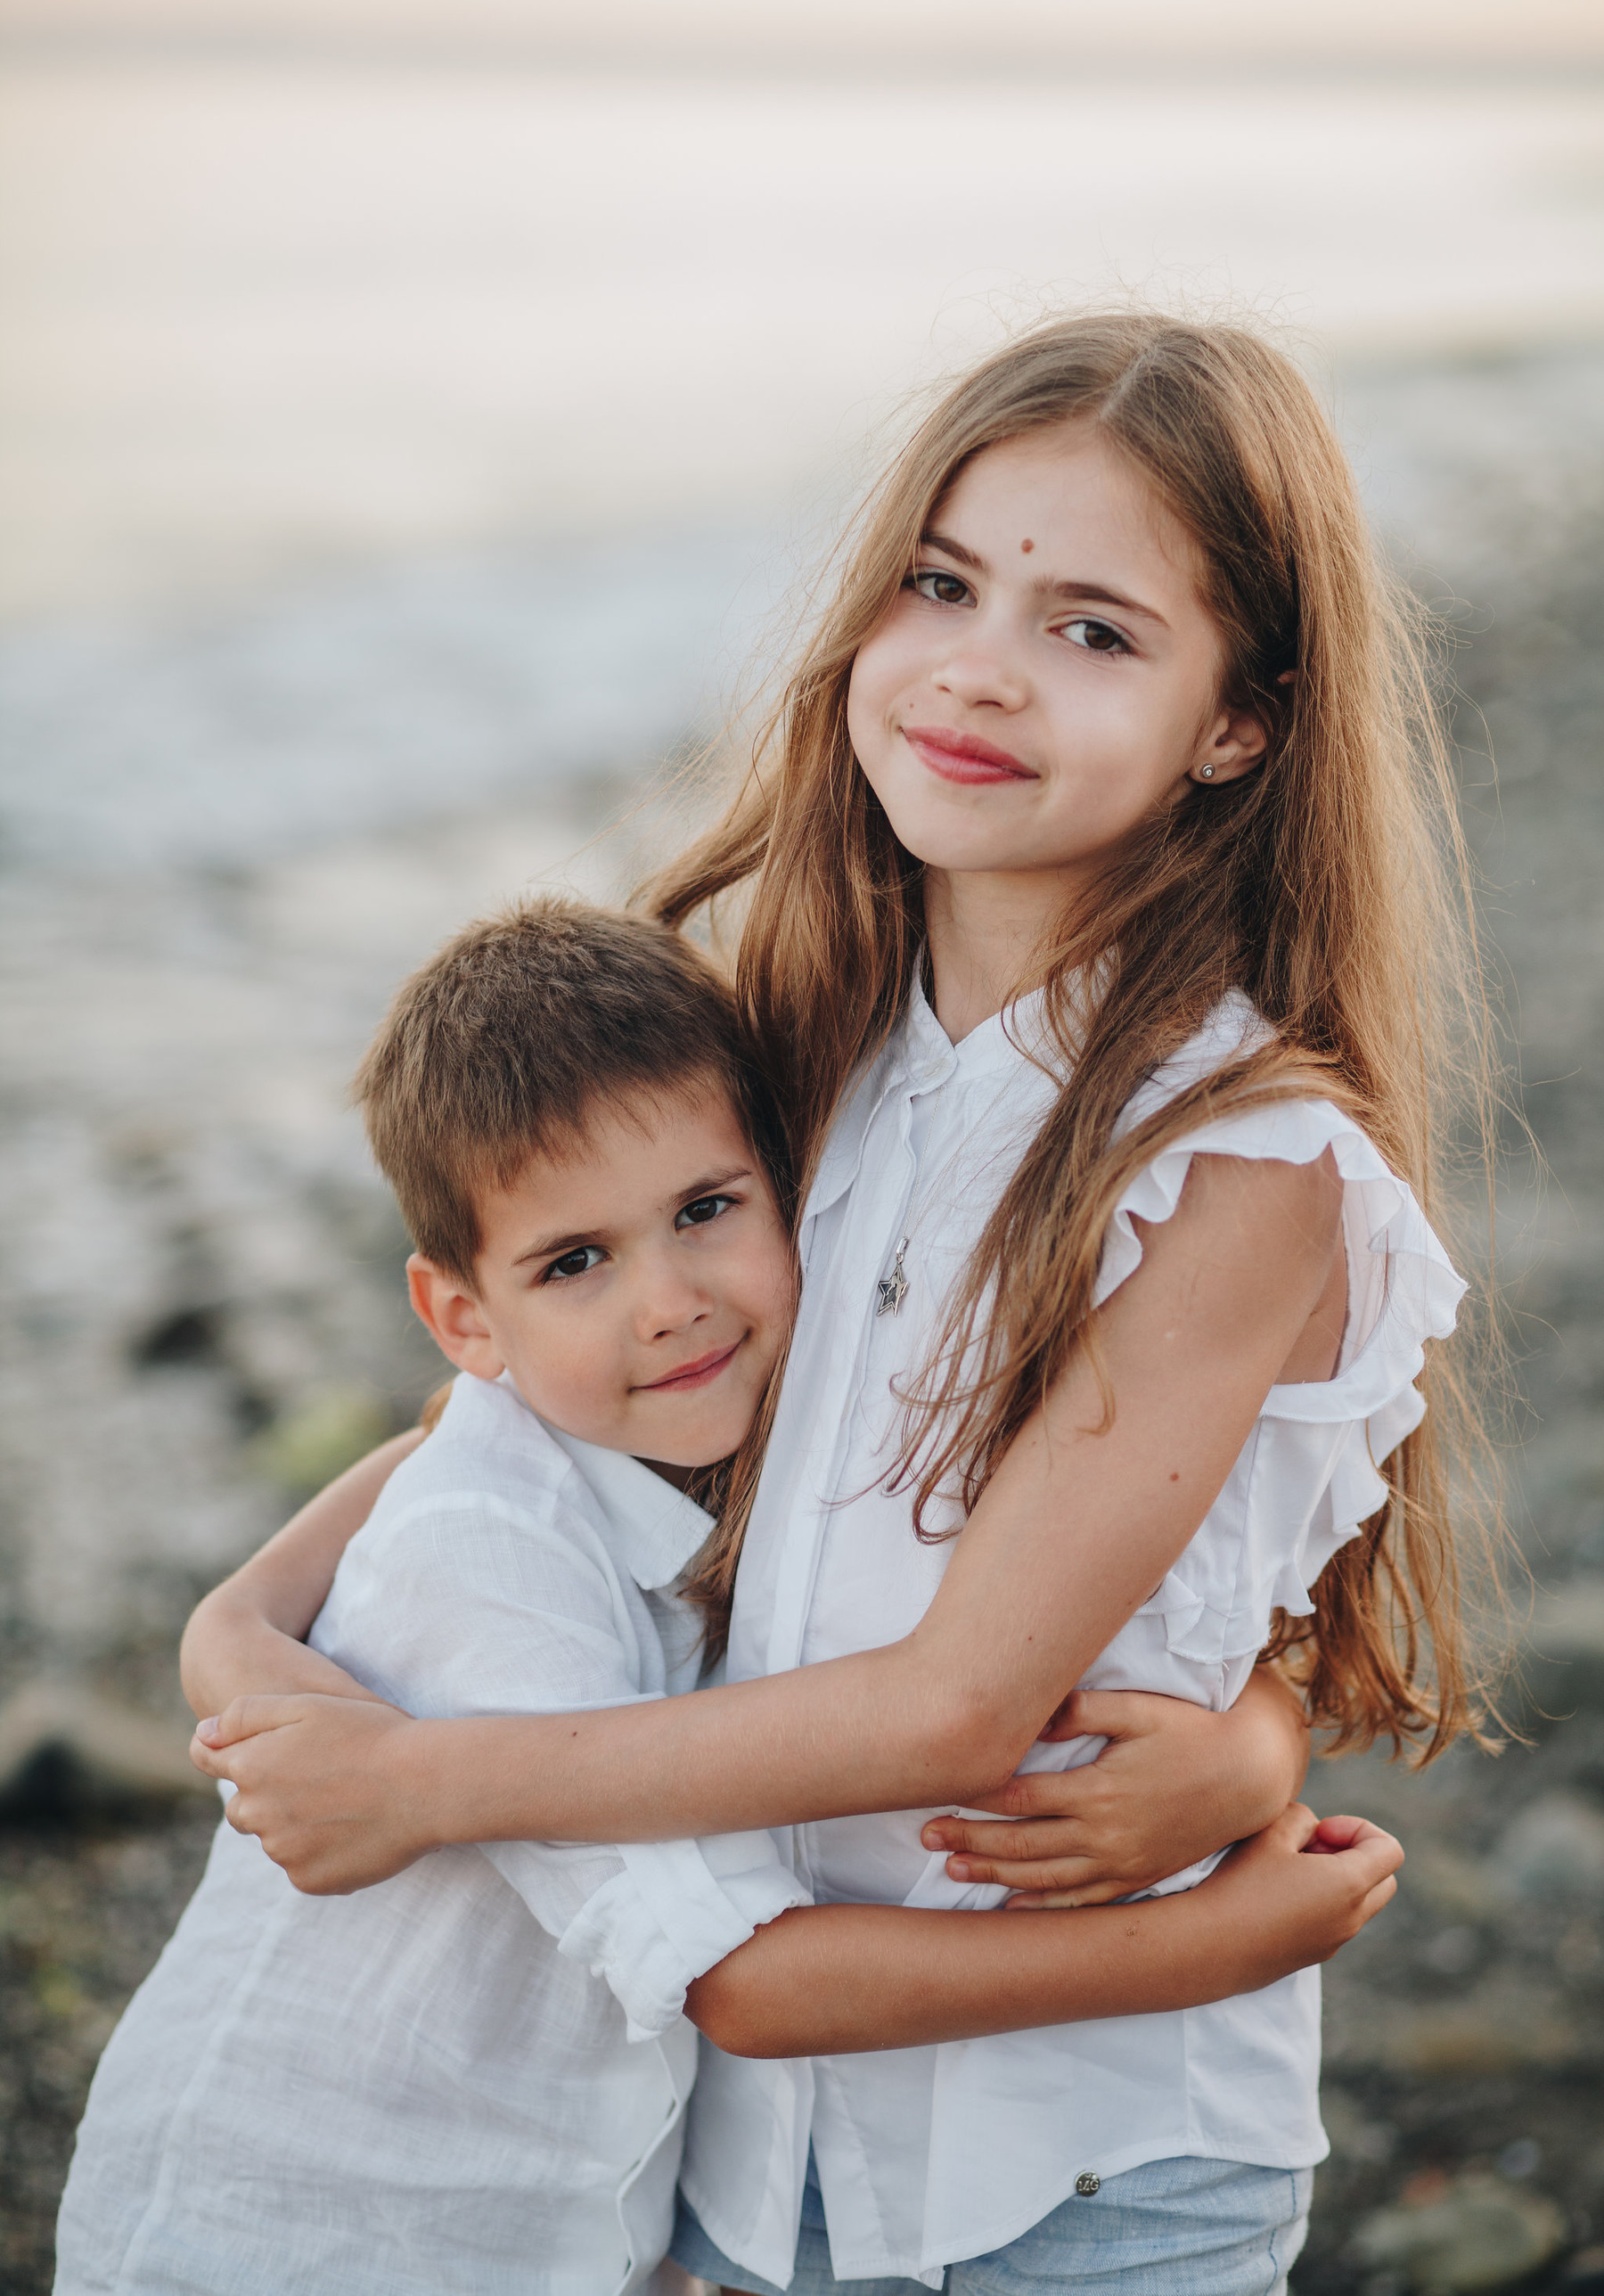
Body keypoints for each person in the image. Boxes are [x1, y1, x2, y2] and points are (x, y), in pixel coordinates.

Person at [184, 313, 1492, 2293]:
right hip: (744, 2158)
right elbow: (568, 1394)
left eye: (1096, 630)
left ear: (1241, 724)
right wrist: (239, 1616)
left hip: (1088, 2174)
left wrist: (429, 1782)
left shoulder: (1240, 1165)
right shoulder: (810, 1037)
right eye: (946, 585)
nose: (979, 664)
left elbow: (966, 1703)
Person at [57, 898, 1396, 2296]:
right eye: (574, 1263)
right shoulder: (493, 1558)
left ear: (798, 1183)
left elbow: (1075, 1621)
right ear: (465, 1321)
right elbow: (746, 1982)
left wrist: (1255, 1743)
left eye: (706, 1211)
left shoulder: (716, 1439)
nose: (670, 1303)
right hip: (293, 2248)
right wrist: (1205, 1948)